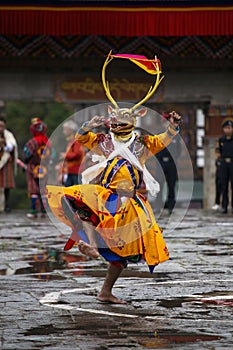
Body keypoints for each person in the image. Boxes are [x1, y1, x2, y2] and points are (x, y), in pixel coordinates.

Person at [46, 52, 182, 304]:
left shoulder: (142, 144)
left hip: (131, 202)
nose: (117, 122)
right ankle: (92, 245)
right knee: (84, 206)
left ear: (135, 120)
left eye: (123, 119)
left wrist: (172, 127)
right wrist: (89, 125)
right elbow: (81, 138)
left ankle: (105, 291)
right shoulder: (103, 141)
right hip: (105, 195)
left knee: (124, 253)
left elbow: (163, 140)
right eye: (115, 119)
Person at [23, 118, 51, 218]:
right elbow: (52, 155)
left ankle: (33, 211)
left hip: (32, 168)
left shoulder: (31, 142)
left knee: (33, 189)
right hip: (44, 168)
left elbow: (26, 155)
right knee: (43, 189)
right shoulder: (48, 142)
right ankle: (44, 211)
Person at [155, 113, 181, 214]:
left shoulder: (175, 135)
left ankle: (170, 206)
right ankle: (158, 206)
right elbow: (155, 147)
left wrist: (174, 158)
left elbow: (178, 149)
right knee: (159, 185)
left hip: (171, 163)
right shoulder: (159, 134)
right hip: (161, 162)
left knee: (171, 184)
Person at [0, 116, 18, 212]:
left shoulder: (8, 135)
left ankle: (6, 205)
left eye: (2, 126)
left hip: (6, 163)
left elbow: (12, 146)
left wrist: (5, 144)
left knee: (6, 185)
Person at [59, 120, 85, 186]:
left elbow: (77, 154)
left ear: (70, 130)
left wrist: (66, 155)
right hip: (71, 169)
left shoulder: (76, 141)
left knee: (75, 188)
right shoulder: (72, 141)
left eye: (65, 130)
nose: (63, 132)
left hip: (76, 170)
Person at [216, 118, 233, 214]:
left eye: (229, 128)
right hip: (224, 164)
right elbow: (218, 152)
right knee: (223, 185)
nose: (227, 130)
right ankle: (224, 206)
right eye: (226, 128)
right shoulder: (221, 140)